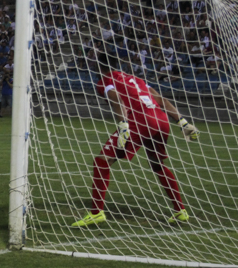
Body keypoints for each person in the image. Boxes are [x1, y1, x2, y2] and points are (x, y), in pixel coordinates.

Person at [72, 53, 200, 227]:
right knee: (158, 165)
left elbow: (116, 98)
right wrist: (182, 122)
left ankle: (96, 213)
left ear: (97, 67)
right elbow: (159, 99)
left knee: (102, 161)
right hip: (161, 120)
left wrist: (123, 124)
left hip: (140, 120)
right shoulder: (136, 79)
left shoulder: (105, 81)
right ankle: (180, 211)